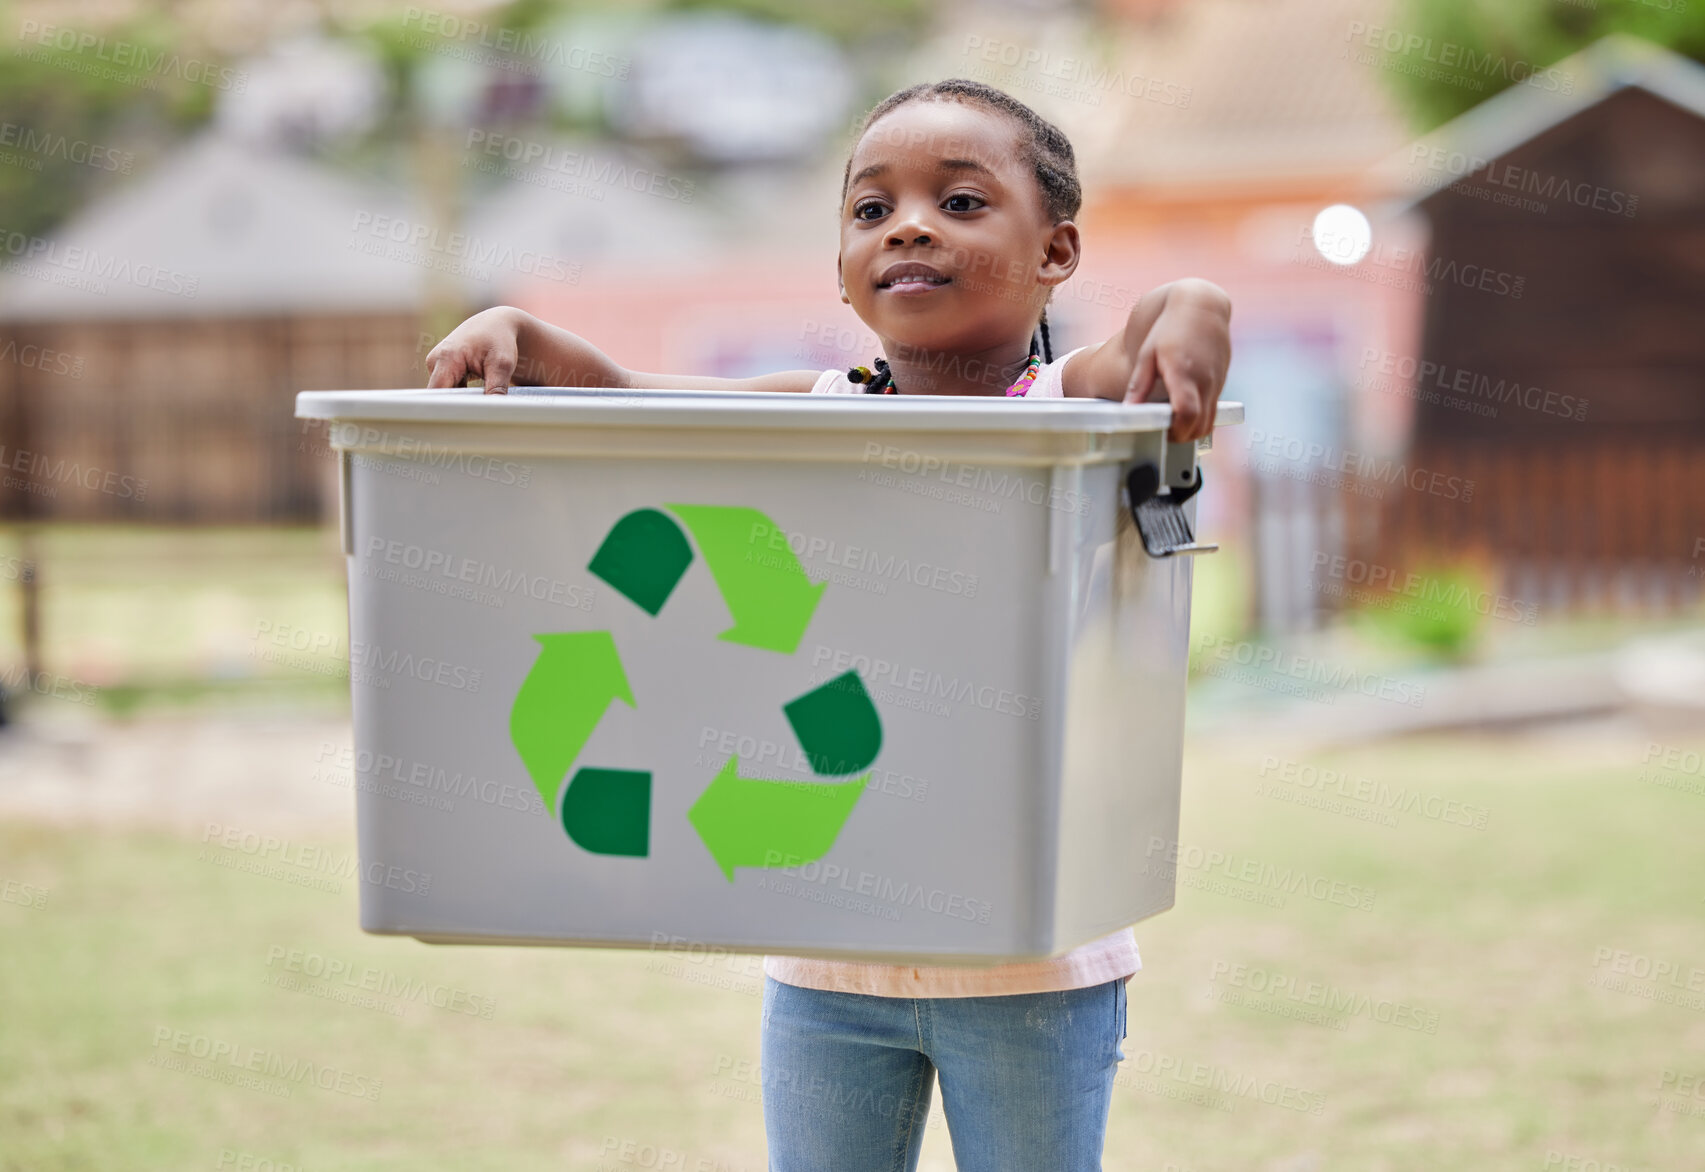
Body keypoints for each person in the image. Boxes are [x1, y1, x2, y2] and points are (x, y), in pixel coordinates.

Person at [427, 78, 1231, 1172]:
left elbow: (1146, 335)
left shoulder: (1066, 409)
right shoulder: (812, 412)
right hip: (824, 966)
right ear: (844, 273)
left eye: (959, 201)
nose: (908, 224)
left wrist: (1194, 309)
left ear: (1056, 251)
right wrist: (515, 327)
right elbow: (621, 394)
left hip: (1031, 968)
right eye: (870, 209)